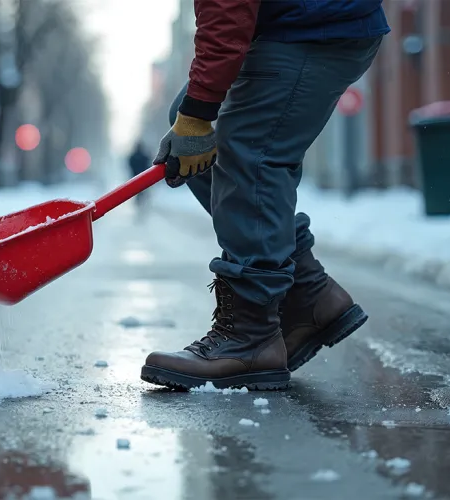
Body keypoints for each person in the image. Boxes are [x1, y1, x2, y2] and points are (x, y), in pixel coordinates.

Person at [141, 0, 390, 391]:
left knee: (244, 150)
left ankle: (250, 336)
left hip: (314, 24)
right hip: (305, 20)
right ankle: (305, 290)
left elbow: (227, 6)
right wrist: (194, 113)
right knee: (195, 123)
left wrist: (199, 112)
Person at [127, 140, 151, 213]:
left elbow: (130, 164)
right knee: (142, 192)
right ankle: (142, 207)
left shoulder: (133, 156)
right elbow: (148, 164)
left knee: (138, 192)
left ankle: (139, 206)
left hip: (136, 177)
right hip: (143, 177)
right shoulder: (144, 156)